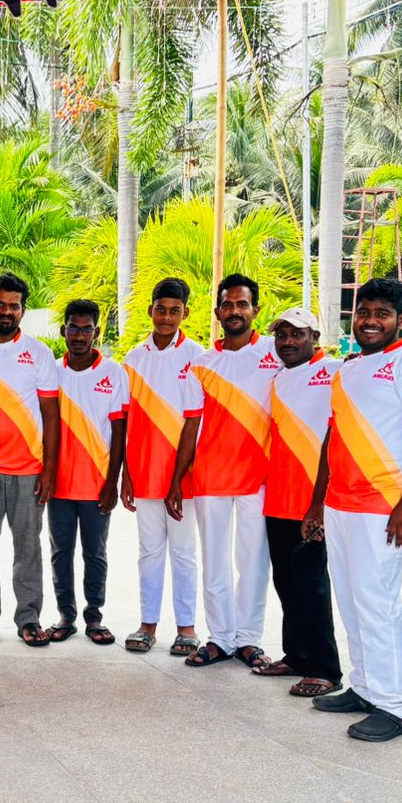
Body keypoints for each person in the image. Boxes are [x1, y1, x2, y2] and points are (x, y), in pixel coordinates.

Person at [304, 277, 402, 741]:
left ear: (401, 319)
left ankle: (397, 706)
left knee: (377, 605)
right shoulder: (348, 369)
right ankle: (364, 688)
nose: (369, 321)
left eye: (382, 313)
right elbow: (333, 436)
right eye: (363, 312)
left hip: (384, 505)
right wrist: (319, 502)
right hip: (342, 504)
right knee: (350, 600)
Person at [0, 273, 60, 648]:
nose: (6, 311)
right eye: (0, 304)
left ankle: (29, 617)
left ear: (23, 310)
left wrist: (49, 469)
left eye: (14, 306)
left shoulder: (39, 353)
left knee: (28, 547)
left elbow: (51, 416)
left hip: (28, 469)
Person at [188, 273, 279, 670]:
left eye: (242, 304)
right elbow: (191, 423)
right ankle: (219, 638)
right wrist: (181, 478)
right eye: (228, 305)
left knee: (254, 562)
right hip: (210, 477)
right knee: (214, 562)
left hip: (257, 477)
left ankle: (248, 639)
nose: (235, 311)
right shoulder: (204, 362)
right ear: (218, 311)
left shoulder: (277, 352)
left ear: (255, 310)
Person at [252, 309, 342, 698]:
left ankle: (325, 668)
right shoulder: (277, 379)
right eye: (282, 335)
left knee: (312, 585)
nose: (287, 341)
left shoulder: (337, 371)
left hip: (314, 501)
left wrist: (319, 505)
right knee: (286, 582)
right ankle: (297, 655)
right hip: (278, 498)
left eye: (297, 334)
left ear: (315, 337)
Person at [120, 277, 204, 655]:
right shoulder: (133, 360)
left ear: (185, 313)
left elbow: (196, 422)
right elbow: (124, 423)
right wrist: (125, 474)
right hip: (143, 473)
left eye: (174, 310)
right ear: (150, 310)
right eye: (160, 309)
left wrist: (181, 477)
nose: (166, 317)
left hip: (184, 477)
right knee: (149, 552)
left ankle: (186, 628)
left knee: (184, 553)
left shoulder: (199, 358)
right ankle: (147, 625)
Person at [47, 299, 127, 645]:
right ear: (64, 330)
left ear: (97, 332)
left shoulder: (114, 373)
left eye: (86, 328)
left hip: (97, 486)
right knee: (60, 553)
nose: (79, 335)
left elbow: (120, 432)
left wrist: (113, 482)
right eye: (73, 328)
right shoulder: (51, 371)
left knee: (95, 552)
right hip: (59, 485)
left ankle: (94, 616)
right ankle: (66, 615)